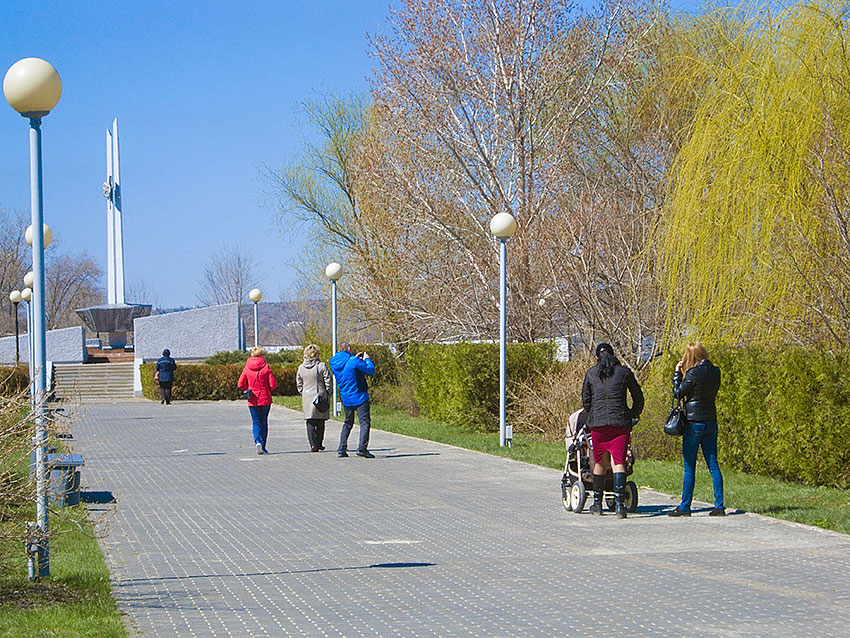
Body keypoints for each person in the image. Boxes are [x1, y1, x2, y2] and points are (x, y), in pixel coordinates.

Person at [581, 343, 644, 518]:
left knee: (600, 462)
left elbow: (586, 400)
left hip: (598, 425)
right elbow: (638, 396)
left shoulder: (591, 373)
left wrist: (593, 413)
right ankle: (619, 506)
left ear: (596, 358)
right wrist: (632, 413)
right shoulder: (624, 373)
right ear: (613, 355)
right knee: (619, 462)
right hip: (620, 424)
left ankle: (597, 504)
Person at [668, 342, 725, 517]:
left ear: (690, 357)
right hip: (711, 421)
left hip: (694, 423)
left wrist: (677, 374)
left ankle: (685, 507)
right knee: (713, 464)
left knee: (689, 466)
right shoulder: (716, 371)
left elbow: (678, 393)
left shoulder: (692, 373)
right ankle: (719, 506)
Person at [329, 342, 375, 458]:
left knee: (347, 422)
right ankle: (362, 448)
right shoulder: (353, 361)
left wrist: (356, 358)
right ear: (349, 348)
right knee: (364, 422)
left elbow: (348, 371)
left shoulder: (334, 363)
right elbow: (370, 370)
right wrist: (367, 360)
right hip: (359, 395)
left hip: (346, 397)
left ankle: (341, 449)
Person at [237, 347, 277, 455]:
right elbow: (273, 384)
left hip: (252, 399)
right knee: (264, 422)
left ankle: (257, 442)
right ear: (262, 356)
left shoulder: (247, 368)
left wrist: (249, 388)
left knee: (256, 422)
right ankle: (263, 446)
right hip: (265, 398)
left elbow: (240, 384)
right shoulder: (266, 367)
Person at [296, 344, 332, 452]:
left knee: (310, 421)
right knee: (320, 421)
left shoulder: (301, 367)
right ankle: (319, 442)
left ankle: (313, 444)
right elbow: (328, 381)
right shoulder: (321, 366)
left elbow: (299, 383)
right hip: (320, 395)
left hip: (307, 396)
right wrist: (328, 393)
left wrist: (303, 392)